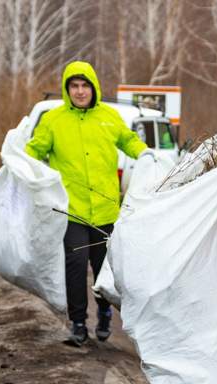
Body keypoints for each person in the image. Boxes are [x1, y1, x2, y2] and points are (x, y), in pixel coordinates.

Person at [26, 61, 151, 347]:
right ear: (67, 89)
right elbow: (34, 151)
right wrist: (20, 162)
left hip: (106, 210)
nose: (80, 91)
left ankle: (105, 312)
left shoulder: (109, 116)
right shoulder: (54, 121)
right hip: (71, 210)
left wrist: (147, 156)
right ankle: (78, 323)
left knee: (103, 268)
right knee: (75, 265)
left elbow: (130, 141)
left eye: (84, 86)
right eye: (74, 86)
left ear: (93, 87)